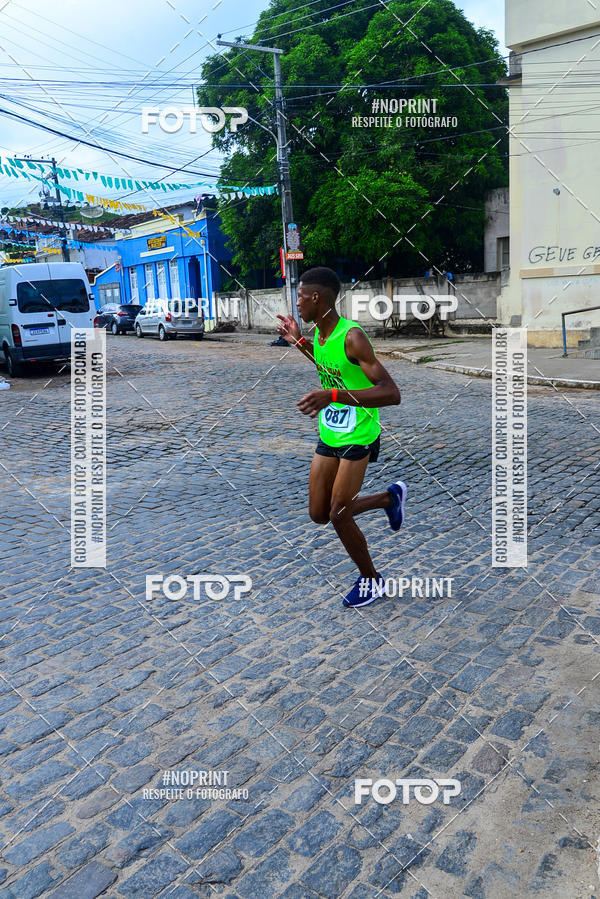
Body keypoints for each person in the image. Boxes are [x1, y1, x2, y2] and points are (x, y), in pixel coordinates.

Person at [276, 266, 406, 608]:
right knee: (319, 513)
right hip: (331, 431)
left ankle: (371, 581)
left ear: (318, 298)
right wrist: (299, 342)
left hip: (359, 433)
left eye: (301, 296)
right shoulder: (319, 334)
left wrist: (332, 396)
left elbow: (391, 393)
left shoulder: (353, 336)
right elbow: (331, 365)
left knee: (338, 514)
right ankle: (387, 500)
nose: (298, 303)